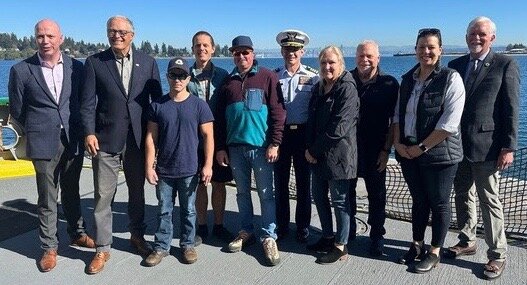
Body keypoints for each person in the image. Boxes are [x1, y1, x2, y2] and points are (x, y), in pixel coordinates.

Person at [8, 18, 95, 273]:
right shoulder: (22, 70)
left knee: (72, 190)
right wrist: (39, 127)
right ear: (35, 39)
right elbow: (18, 109)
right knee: (47, 196)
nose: (45, 41)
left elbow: (81, 102)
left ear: (61, 39)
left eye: (50, 36)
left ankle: (77, 233)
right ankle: (49, 246)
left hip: (72, 138)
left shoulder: (75, 68)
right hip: (42, 140)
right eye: (40, 36)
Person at [80, 15, 162, 274]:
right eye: (112, 31)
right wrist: (89, 132)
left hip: (138, 140)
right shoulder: (95, 62)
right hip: (105, 140)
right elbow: (86, 102)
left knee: (137, 193)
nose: (117, 35)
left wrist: (155, 140)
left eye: (122, 31)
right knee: (104, 196)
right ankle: (103, 248)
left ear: (132, 34)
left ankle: (137, 236)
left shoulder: (148, 63)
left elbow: (156, 104)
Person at [445, 16, 520, 280]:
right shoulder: (454, 66)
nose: (476, 38)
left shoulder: (505, 64)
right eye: (472, 34)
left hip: (488, 148)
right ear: (466, 37)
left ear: (492, 38)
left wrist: (508, 146)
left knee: (490, 200)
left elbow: (511, 108)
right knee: (462, 194)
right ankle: (467, 240)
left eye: (482, 34)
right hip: (457, 145)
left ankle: (497, 254)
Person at [393, 28, 465, 273]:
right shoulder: (407, 80)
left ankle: (435, 251)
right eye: (422, 47)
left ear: (440, 50)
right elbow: (397, 116)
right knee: (419, 200)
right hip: (408, 153)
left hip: (439, 155)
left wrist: (421, 148)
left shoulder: (451, 78)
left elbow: (449, 124)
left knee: (439, 202)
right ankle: (416, 245)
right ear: (415, 50)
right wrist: (398, 144)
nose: (426, 52)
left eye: (431, 47)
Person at [214, 35, 286, 266]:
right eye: (237, 53)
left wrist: (275, 142)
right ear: (232, 55)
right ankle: (246, 231)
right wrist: (221, 148)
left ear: (253, 54)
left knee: (266, 194)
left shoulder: (267, 76)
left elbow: (278, 112)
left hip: (262, 148)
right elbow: (220, 120)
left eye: (245, 52)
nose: (241, 56)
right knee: (242, 193)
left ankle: (268, 236)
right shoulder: (227, 83)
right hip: (235, 150)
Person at [144, 57, 214, 266]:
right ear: (168, 77)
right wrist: (149, 166)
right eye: (173, 75)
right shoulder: (157, 106)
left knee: (189, 210)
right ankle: (161, 247)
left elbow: (209, 136)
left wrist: (208, 165)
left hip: (190, 169)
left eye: (182, 75)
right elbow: (151, 138)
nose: (177, 79)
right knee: (164, 210)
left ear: (188, 78)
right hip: (165, 169)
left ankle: (187, 244)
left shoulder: (199, 106)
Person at [305, 46, 359, 264]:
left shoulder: (347, 88)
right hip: (317, 156)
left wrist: (313, 150)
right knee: (318, 196)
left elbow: (339, 127)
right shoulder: (319, 88)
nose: (327, 67)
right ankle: (327, 236)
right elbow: (312, 120)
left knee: (340, 201)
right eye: (323, 63)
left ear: (341, 64)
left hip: (339, 156)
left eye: (332, 63)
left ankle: (341, 244)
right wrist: (310, 148)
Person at [348, 40, 399, 256]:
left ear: (378, 58)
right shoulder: (346, 79)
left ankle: (377, 236)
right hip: (348, 150)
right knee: (346, 194)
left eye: (369, 56)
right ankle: (347, 232)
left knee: (377, 196)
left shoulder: (389, 84)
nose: (365, 60)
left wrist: (387, 151)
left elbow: (394, 121)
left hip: (376, 150)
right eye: (361, 56)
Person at [273, 29, 319, 243]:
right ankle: (282, 226)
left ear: (303, 51)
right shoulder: (273, 77)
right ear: (282, 50)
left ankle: (302, 227)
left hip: (302, 135)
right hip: (281, 136)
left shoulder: (313, 77)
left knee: (303, 185)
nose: (291, 53)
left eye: (295, 49)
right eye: (287, 49)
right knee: (280, 184)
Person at [189, 31, 233, 242]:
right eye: (198, 45)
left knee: (218, 183)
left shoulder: (223, 75)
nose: (202, 49)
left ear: (213, 48)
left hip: (218, 139)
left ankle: (219, 224)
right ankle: (201, 225)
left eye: (206, 45)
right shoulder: (185, 76)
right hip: (194, 141)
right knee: (199, 183)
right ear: (193, 49)